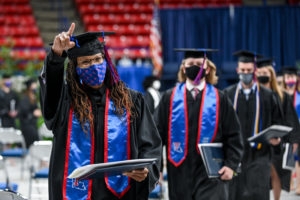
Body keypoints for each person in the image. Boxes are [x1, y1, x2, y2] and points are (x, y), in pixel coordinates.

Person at [39, 23, 161, 200]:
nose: (94, 66)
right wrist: (56, 57)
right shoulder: (65, 101)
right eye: (86, 62)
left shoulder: (131, 101)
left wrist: (147, 170)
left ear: (106, 61)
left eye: (98, 59)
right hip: (73, 192)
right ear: (76, 69)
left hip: (120, 192)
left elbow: (150, 145)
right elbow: (51, 91)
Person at [154, 48, 244, 200]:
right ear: (183, 68)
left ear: (207, 69)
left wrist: (231, 165)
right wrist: (156, 168)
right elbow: (156, 135)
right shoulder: (169, 98)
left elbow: (234, 135)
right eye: (190, 63)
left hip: (212, 173)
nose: (194, 67)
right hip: (179, 172)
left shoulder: (220, 98)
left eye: (198, 63)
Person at [224, 50, 283, 200]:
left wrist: (277, 139)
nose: (246, 73)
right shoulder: (227, 95)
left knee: (258, 195)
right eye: (242, 70)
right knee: (234, 195)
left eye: (249, 70)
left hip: (260, 156)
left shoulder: (268, 95)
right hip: (234, 157)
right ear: (237, 70)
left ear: (255, 70)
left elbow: (278, 123)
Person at [256, 58, 300, 199]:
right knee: (261, 174)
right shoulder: (254, 95)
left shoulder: (282, 96)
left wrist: (294, 140)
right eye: (260, 72)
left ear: (272, 75)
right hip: (258, 141)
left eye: (266, 72)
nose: (263, 75)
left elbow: (291, 120)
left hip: (278, 142)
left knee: (276, 173)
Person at [282, 66, 300, 194]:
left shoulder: (298, 96)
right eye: (288, 77)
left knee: (297, 158)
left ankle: (298, 184)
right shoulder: (281, 95)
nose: (290, 80)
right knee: (286, 158)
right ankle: (289, 182)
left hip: (298, 130)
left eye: (292, 77)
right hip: (285, 130)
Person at [18, 78, 42, 148]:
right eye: (34, 84)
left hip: (33, 125)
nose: (35, 86)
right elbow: (23, 112)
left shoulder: (33, 97)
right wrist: (34, 113)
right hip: (27, 126)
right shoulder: (25, 99)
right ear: (29, 86)